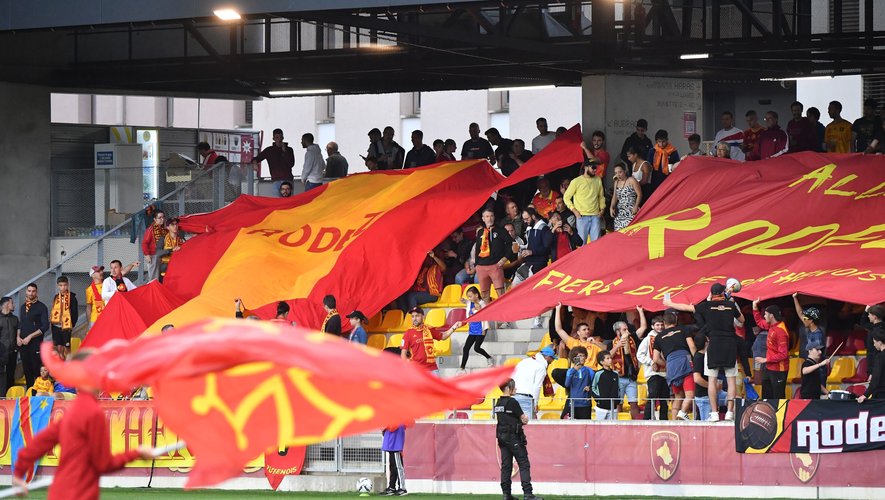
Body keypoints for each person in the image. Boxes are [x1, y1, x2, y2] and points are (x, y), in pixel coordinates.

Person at [11, 351, 155, 499]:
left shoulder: (74, 408)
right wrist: (137, 454)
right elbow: (104, 463)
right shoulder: (93, 412)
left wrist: (18, 474)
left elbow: (38, 444)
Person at [664, 283, 744, 421]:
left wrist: (669, 303)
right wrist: (730, 303)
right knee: (731, 381)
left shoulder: (705, 306)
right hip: (729, 345)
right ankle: (730, 413)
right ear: (723, 292)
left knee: (712, 380)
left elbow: (685, 307)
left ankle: (714, 413)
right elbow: (742, 320)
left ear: (711, 293)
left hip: (713, 345)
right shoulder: (730, 306)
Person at [494, 378, 542, 500]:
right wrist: (525, 419)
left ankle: (506, 494)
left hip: (501, 437)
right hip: (513, 437)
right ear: (508, 388)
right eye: (513, 387)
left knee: (506, 465)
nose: (515, 389)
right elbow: (523, 418)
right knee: (523, 463)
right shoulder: (512, 402)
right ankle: (528, 493)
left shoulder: (498, 403)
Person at [652, 312, 696, 420]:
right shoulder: (683, 329)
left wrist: (668, 364)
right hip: (685, 361)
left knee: (678, 396)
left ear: (664, 323)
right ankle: (682, 412)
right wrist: (697, 361)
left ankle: (674, 422)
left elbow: (655, 358)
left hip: (671, 365)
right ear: (676, 321)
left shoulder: (658, 337)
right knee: (690, 395)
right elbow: (692, 346)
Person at [400, 307, 459, 374]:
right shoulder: (408, 333)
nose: (414, 319)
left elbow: (443, 336)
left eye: (417, 316)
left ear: (423, 316)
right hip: (417, 370)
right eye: (413, 316)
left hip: (432, 369)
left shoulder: (429, 329)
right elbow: (403, 354)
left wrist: (454, 327)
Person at [473, 208, 513, 304]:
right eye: (487, 216)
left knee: (500, 293)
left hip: (495, 265)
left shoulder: (501, 230)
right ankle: (489, 317)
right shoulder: (479, 232)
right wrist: (476, 264)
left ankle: (503, 316)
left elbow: (511, 244)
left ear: (494, 217)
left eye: (491, 216)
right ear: (483, 218)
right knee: (484, 294)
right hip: (481, 267)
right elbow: (477, 249)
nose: (489, 219)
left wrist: (505, 258)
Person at [752, 299, 790, 400]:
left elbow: (783, 354)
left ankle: (780, 416)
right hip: (769, 368)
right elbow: (760, 322)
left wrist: (766, 359)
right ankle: (768, 415)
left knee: (778, 397)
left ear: (771, 315)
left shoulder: (781, 331)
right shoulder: (771, 325)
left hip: (779, 369)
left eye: (765, 314)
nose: (764, 316)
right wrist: (754, 307)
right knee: (766, 397)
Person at [562, 161, 606, 243]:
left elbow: (601, 196)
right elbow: (566, 197)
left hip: (595, 216)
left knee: (596, 244)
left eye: (595, 167)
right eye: (593, 167)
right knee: (582, 243)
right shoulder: (576, 181)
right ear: (585, 167)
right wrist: (575, 211)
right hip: (581, 216)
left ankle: (595, 256)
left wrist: (602, 209)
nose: (594, 170)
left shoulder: (598, 179)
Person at [637, 314, 669, 420]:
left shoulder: (666, 337)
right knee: (653, 396)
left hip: (665, 373)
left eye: (661, 325)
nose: (660, 327)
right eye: (657, 325)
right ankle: (647, 419)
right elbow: (640, 355)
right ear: (652, 326)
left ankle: (664, 419)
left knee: (665, 398)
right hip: (653, 373)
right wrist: (651, 362)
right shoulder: (647, 339)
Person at [553, 303, 605, 369]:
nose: (587, 331)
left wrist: (595, 343)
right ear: (578, 332)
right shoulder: (574, 343)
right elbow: (559, 329)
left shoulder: (594, 342)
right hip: (577, 371)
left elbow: (607, 350)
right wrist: (558, 309)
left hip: (590, 371)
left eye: (588, 329)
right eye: (584, 330)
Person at [511, 347, 556, 419]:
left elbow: (512, 377)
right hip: (526, 398)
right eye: (552, 358)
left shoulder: (524, 361)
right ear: (547, 357)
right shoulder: (541, 367)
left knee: (515, 424)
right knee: (529, 426)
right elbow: (537, 387)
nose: (552, 361)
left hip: (514, 396)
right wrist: (535, 403)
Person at [18, 283, 48, 389]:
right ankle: (30, 392)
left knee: (36, 368)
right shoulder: (23, 307)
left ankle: (38, 392)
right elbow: (20, 324)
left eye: (33, 291)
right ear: (26, 292)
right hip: (23, 344)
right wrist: (18, 337)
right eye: (29, 291)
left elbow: (45, 326)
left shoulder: (42, 307)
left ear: (37, 292)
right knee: (26, 369)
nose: (31, 293)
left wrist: (30, 336)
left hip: (35, 344)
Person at [610, 320, 641, 419]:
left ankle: (636, 425)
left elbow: (643, 327)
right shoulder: (611, 342)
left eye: (627, 329)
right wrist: (618, 345)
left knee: (634, 403)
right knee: (618, 403)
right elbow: (608, 356)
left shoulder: (632, 339)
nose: (627, 331)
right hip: (619, 377)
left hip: (632, 377)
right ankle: (619, 424)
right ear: (618, 332)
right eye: (624, 329)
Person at [253, 128, 296, 194]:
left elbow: (291, 164)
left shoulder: (289, 150)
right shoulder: (269, 150)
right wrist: (255, 163)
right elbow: (256, 158)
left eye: (280, 137)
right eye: (277, 137)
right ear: (273, 138)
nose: (279, 139)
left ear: (283, 138)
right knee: (277, 202)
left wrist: (285, 151)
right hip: (276, 180)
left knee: (289, 203)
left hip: (288, 179)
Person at [459, 286, 492, 371]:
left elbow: (485, 317)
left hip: (481, 329)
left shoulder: (482, 304)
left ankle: (489, 358)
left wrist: (484, 330)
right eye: (468, 297)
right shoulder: (470, 302)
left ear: (476, 295)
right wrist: (463, 300)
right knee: (466, 348)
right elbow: (467, 302)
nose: (469, 298)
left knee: (476, 348)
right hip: (472, 330)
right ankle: (462, 368)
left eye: (470, 296)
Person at [50, 276, 78, 360]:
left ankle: (69, 367)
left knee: (67, 348)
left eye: (65, 285)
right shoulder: (56, 297)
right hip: (56, 326)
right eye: (61, 285)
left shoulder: (72, 297)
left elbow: (74, 313)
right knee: (58, 348)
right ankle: (60, 366)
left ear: (68, 285)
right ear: (58, 286)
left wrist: (71, 325)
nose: (63, 287)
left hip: (66, 327)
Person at [609, 163, 642, 231]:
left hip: (631, 210)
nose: (618, 174)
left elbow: (639, 194)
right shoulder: (616, 182)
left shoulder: (631, 180)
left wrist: (636, 206)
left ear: (625, 171)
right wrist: (611, 207)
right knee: (619, 232)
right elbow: (615, 196)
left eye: (620, 172)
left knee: (630, 231)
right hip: (620, 212)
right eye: (616, 173)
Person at [792, 293, 824, 360]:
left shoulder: (818, 334)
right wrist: (795, 298)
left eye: (806, 318)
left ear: (811, 320)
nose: (803, 320)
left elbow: (817, 346)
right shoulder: (811, 329)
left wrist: (807, 347)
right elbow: (800, 313)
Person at [563, 347, 593, 419]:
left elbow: (594, 385)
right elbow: (567, 384)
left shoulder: (589, 371)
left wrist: (590, 387)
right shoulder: (570, 371)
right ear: (574, 358)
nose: (582, 358)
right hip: (573, 403)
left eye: (583, 356)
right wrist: (574, 370)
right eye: (579, 356)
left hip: (585, 404)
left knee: (586, 427)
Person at [591, 350, 620, 420]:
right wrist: (599, 399)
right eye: (607, 358)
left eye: (610, 358)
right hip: (601, 408)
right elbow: (593, 387)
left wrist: (617, 400)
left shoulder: (615, 374)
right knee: (599, 429)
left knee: (613, 429)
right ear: (601, 362)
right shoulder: (598, 374)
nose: (610, 360)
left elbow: (618, 389)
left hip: (613, 407)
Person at [858, 330, 885, 403]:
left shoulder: (880, 357)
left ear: (879, 342)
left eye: (874, 342)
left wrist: (865, 395)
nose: (874, 345)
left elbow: (875, 379)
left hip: (881, 395)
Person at [381, 423, 407, 496]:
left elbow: (393, 426)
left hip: (395, 443)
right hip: (392, 443)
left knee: (398, 467)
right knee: (393, 467)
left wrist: (384, 426)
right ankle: (392, 487)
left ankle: (402, 488)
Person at [141, 209, 167, 282]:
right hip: (153, 256)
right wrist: (147, 254)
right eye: (160, 218)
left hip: (162, 255)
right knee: (154, 279)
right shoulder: (150, 230)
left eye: (163, 217)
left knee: (161, 277)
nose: (162, 219)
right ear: (155, 219)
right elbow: (144, 243)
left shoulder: (164, 229)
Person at [0, 296, 18, 397]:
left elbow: (18, 334)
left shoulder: (15, 319)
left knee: (11, 376)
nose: (14, 305)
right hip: (1, 354)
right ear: (7, 304)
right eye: (12, 303)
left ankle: (9, 399)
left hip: (13, 352)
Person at [158, 217, 185, 282]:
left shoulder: (181, 239)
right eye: (172, 224)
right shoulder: (163, 238)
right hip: (166, 268)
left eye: (176, 224)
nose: (175, 226)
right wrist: (171, 250)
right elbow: (158, 252)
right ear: (167, 227)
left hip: (178, 268)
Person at [84, 266, 106, 330]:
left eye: (101, 270)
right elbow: (89, 307)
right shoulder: (89, 290)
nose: (101, 272)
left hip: (109, 317)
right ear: (93, 275)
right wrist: (89, 323)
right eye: (98, 271)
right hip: (95, 320)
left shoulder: (108, 284)